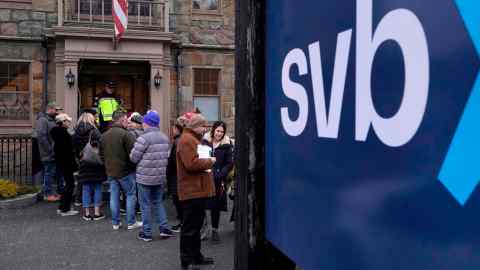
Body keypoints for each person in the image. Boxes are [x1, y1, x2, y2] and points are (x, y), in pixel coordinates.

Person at [176, 112, 216, 270]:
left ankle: (195, 257)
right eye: (203, 126)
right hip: (192, 190)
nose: (205, 129)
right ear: (195, 126)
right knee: (190, 229)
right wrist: (210, 161)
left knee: (194, 227)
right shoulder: (187, 140)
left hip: (195, 190)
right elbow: (191, 164)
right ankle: (187, 261)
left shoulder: (190, 138)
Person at [130, 111, 175, 242]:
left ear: (147, 123)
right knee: (158, 202)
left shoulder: (143, 138)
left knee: (145, 205)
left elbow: (133, 158)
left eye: (144, 122)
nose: (142, 124)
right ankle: (164, 228)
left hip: (144, 177)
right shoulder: (164, 137)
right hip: (159, 176)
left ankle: (147, 232)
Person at [100, 110, 142, 230]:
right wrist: (133, 167)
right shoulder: (126, 134)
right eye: (126, 120)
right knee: (130, 194)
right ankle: (131, 222)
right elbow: (133, 154)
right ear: (122, 120)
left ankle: (115, 223)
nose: (127, 122)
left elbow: (101, 155)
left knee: (114, 196)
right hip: (125, 171)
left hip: (111, 171)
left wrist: (107, 165)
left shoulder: (104, 135)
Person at [201, 121, 233, 243]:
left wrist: (220, 173)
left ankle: (214, 230)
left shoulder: (226, 145)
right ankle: (204, 229)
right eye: (217, 130)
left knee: (215, 206)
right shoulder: (205, 142)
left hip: (218, 180)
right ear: (213, 130)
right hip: (204, 176)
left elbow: (229, 163)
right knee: (202, 204)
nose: (219, 133)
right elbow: (200, 157)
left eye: (222, 131)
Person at [74, 112, 106, 221]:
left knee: (85, 188)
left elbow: (74, 147)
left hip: (83, 162)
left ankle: (87, 213)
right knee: (97, 187)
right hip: (95, 162)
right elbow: (102, 145)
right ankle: (97, 213)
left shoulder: (76, 132)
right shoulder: (95, 131)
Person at [50, 113, 79, 216]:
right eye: (67, 121)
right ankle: (65, 209)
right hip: (66, 162)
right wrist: (74, 164)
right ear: (62, 122)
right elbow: (67, 151)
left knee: (67, 185)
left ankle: (62, 207)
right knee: (69, 185)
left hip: (61, 162)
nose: (69, 123)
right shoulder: (63, 133)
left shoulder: (57, 132)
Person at [35, 101, 63, 202]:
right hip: (49, 153)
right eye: (56, 110)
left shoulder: (53, 120)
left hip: (55, 153)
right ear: (50, 109)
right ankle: (47, 194)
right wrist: (51, 150)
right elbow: (42, 137)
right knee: (49, 174)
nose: (57, 112)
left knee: (55, 173)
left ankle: (56, 192)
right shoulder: (43, 120)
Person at [73, 110, 100, 206]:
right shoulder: (93, 131)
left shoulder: (76, 130)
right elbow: (99, 142)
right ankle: (92, 200)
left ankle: (79, 199)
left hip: (81, 157)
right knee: (94, 179)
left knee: (82, 178)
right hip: (92, 157)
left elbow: (74, 145)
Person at [166, 116, 187, 232]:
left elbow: (174, 161)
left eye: (174, 127)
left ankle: (183, 223)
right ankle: (183, 222)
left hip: (177, 176)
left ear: (178, 128)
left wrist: (168, 172)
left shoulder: (178, 141)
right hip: (180, 175)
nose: (172, 130)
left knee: (178, 200)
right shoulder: (183, 139)